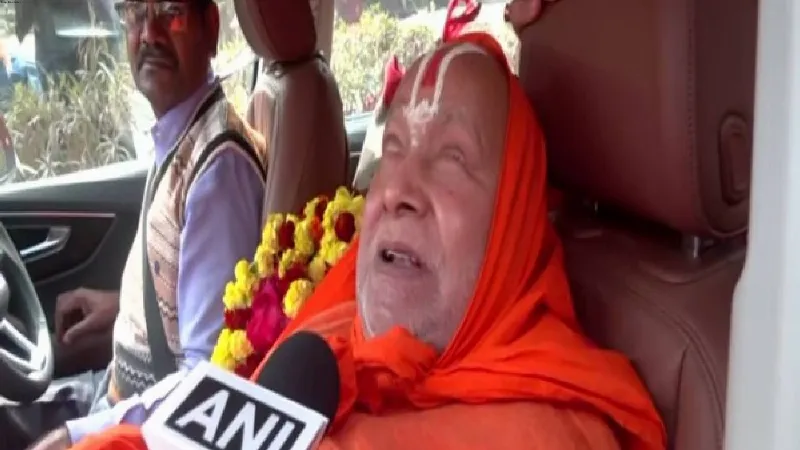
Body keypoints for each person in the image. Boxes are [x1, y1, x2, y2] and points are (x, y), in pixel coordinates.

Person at [67, 31, 666, 450]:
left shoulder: (550, 433)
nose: (395, 191)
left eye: (453, 157)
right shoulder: (332, 334)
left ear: (511, 224)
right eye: (395, 149)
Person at [23, 0, 267, 448]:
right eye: (136, 12)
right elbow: (191, 299)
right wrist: (118, 306)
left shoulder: (217, 172)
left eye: (171, 12)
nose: (150, 34)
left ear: (210, 28)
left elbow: (206, 381)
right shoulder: (182, 133)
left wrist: (74, 436)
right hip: (115, 391)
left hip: (134, 421)